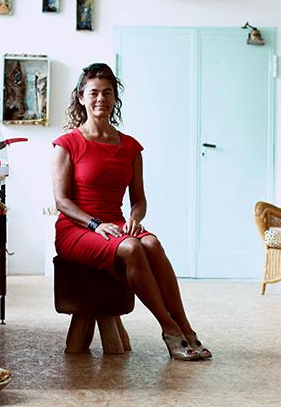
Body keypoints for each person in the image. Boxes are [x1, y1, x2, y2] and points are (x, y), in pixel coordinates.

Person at [51, 63, 211, 361]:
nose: (101, 99)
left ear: (115, 98)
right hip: (77, 228)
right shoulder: (67, 144)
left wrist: (135, 219)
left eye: (107, 92)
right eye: (94, 93)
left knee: (151, 243)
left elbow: (138, 200)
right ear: (81, 97)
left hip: (116, 224)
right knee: (133, 248)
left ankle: (186, 328)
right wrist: (96, 224)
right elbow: (62, 201)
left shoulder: (130, 147)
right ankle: (170, 329)